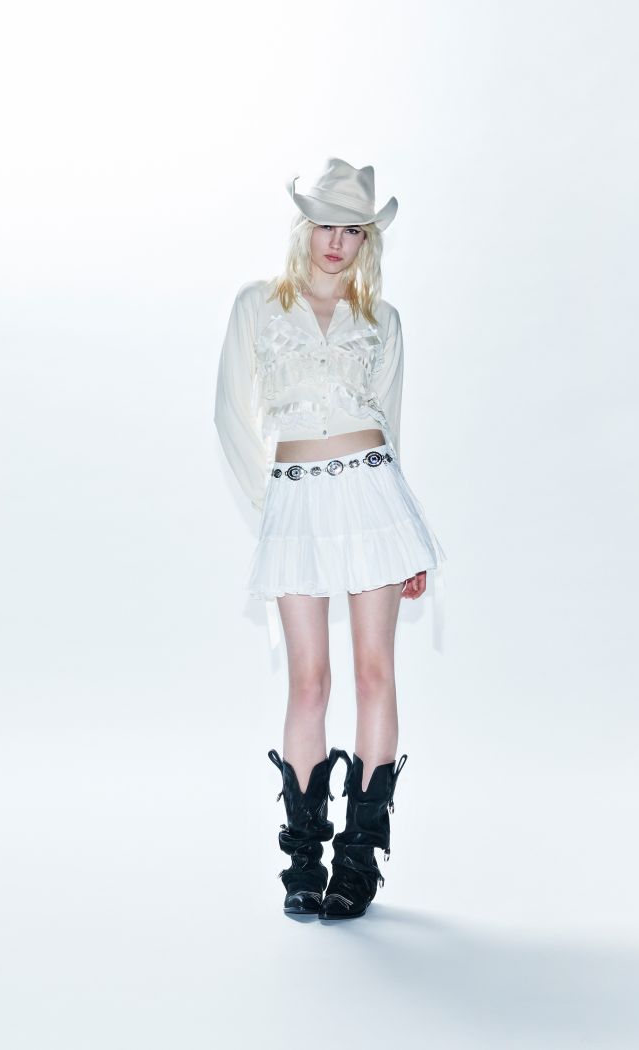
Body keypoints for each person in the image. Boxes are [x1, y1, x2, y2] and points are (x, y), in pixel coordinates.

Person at [213, 157, 446, 920]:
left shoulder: (383, 319)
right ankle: (304, 861)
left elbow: (392, 426)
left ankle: (358, 859)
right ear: (303, 227)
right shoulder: (258, 305)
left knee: (376, 672)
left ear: (367, 239)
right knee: (308, 680)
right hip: (297, 501)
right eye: (326, 224)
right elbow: (229, 416)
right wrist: (275, 508)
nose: (337, 241)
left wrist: (407, 534)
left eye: (353, 229)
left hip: (373, 496)